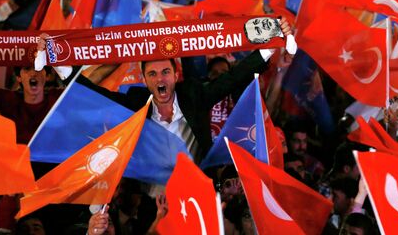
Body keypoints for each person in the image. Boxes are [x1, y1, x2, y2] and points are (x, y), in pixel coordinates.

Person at [67, 18, 293, 163]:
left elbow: (233, 78)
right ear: (145, 80)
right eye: (152, 75)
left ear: (175, 76)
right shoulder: (136, 102)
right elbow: (100, 98)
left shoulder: (193, 95)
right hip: (154, 189)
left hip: (196, 183)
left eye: (165, 71)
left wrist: (270, 45)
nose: (160, 78)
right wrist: (64, 72)